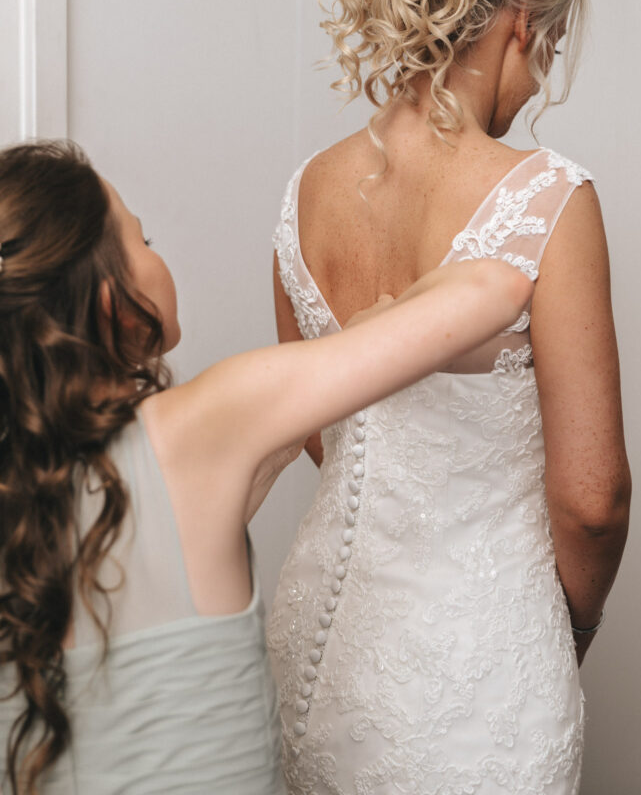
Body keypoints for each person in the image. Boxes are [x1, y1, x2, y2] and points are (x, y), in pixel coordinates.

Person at [268, 0, 631, 793]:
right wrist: (569, 630)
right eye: (546, 38)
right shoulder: (547, 195)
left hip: (317, 636)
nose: (539, 71)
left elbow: (317, 427)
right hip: (478, 653)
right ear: (518, 17)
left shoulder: (305, 190)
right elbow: (591, 500)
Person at [0, 140, 530, 794]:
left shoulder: (31, 483)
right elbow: (494, 287)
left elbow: (261, 461)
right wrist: (379, 322)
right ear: (113, 297)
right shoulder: (200, 426)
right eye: (143, 239)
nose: (157, 253)